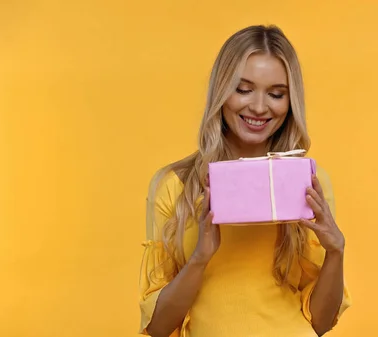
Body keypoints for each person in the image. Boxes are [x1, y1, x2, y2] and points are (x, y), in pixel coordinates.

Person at [138, 25, 351, 337]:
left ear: (290, 102)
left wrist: (336, 251)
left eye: (276, 94)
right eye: (243, 89)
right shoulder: (175, 185)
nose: (259, 107)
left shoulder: (307, 181)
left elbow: (321, 322)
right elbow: (157, 328)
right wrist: (200, 258)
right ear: (222, 91)